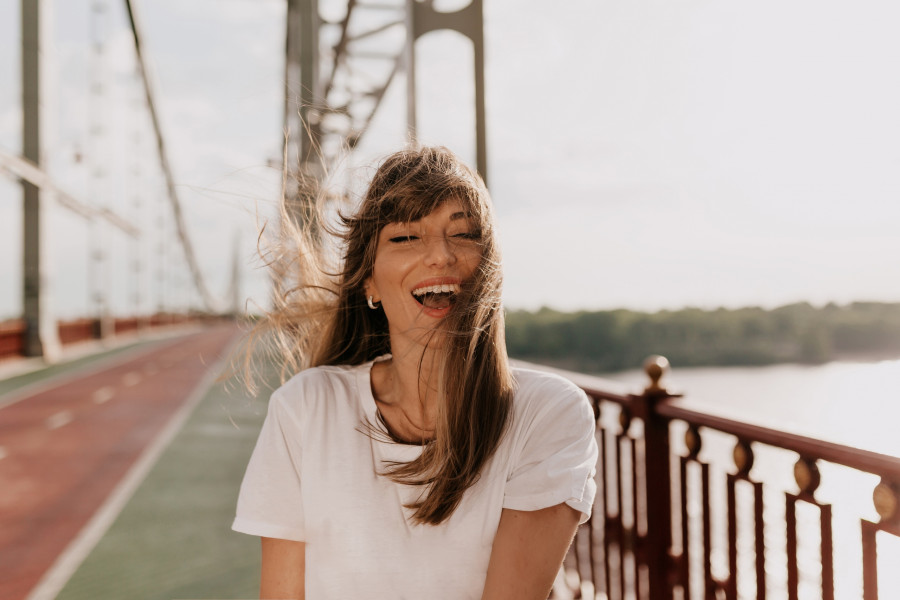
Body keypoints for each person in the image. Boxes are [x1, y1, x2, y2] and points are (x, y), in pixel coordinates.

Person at [232, 146, 598, 599]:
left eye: (463, 234)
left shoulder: (548, 414)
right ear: (369, 281)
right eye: (406, 238)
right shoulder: (305, 407)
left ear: (490, 268)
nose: (440, 256)